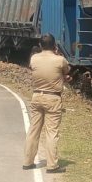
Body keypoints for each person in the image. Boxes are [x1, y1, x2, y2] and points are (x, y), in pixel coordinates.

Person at [22, 34, 70, 173]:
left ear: (40, 45)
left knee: (33, 130)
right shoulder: (60, 60)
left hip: (37, 96)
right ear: (55, 45)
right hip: (52, 98)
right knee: (51, 132)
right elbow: (66, 71)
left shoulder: (34, 58)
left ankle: (27, 161)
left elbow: (37, 70)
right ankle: (52, 165)